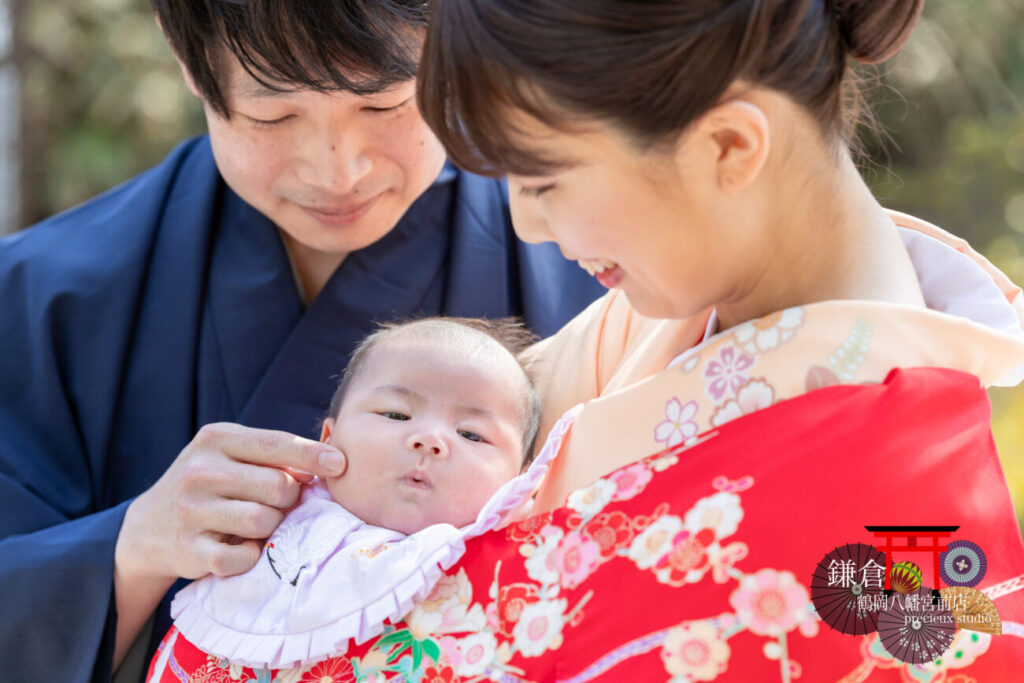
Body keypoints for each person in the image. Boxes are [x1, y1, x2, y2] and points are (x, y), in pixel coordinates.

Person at [155, 0, 1024, 680]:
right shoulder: (670, 308)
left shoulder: (876, 505)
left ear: (727, 145)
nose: (527, 225)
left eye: (544, 179)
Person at [0, 1, 603, 681]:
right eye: (273, 116)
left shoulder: (598, 267)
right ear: (185, 58)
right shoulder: (36, 299)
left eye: (383, 105)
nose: (337, 171)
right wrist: (130, 549)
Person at [151, 317, 571, 674]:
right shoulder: (271, 513)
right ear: (328, 440)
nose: (430, 439)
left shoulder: (514, 561)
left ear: (521, 480)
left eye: (471, 434)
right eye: (396, 414)